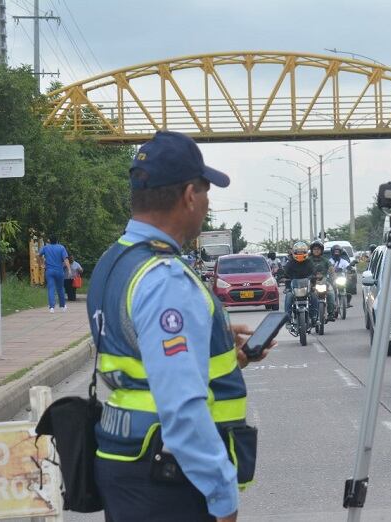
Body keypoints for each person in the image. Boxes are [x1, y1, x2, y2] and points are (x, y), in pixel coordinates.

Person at [87, 131, 271, 522]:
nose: (207, 203)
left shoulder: (114, 261)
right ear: (189, 195)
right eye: (205, 193)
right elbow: (182, 408)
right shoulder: (164, 278)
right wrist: (222, 495)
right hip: (166, 479)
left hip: (126, 461)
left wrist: (217, 349)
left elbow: (141, 358)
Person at [282, 241, 317, 318]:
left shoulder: (309, 262)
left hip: (307, 287)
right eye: (298, 252)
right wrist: (283, 277)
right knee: (288, 296)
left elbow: (314, 272)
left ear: (306, 252)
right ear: (294, 252)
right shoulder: (290, 263)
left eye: (302, 252)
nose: (300, 253)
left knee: (314, 296)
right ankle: (287, 318)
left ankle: (314, 316)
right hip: (293, 288)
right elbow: (285, 273)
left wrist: (314, 276)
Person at [39, 235, 69, 313]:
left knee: (51, 288)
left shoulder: (46, 247)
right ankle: (62, 306)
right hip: (59, 271)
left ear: (49, 240)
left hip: (49, 271)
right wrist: (69, 269)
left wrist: (41, 264)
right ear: (57, 240)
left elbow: (39, 255)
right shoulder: (61, 248)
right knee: (60, 288)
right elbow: (65, 259)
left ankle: (51, 307)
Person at [308, 240, 337, 320]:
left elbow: (331, 269)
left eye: (318, 249)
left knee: (331, 293)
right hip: (311, 282)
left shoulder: (325, 260)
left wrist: (334, 278)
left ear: (321, 250)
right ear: (312, 250)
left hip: (324, 282)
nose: (316, 251)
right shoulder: (308, 260)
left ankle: (331, 314)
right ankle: (308, 314)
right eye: (314, 249)